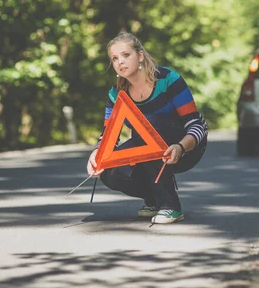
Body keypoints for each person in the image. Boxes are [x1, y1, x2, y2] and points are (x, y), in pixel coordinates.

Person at [86, 32, 208, 224]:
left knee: (151, 127)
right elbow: (108, 137)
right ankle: (154, 199)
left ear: (140, 55)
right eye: (115, 58)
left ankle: (171, 206)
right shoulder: (115, 94)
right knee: (110, 172)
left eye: (126, 55)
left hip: (186, 145)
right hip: (147, 146)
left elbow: (197, 125)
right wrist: (96, 155)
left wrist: (181, 147)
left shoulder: (168, 80)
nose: (120, 62)